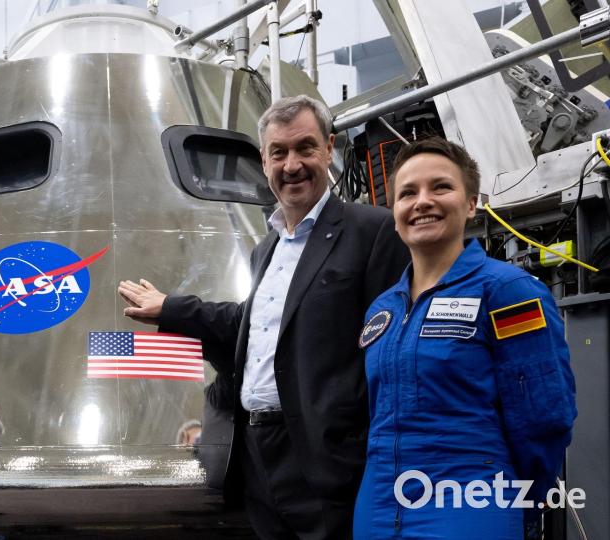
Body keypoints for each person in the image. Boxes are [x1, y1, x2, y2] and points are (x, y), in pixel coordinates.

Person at [118, 95, 410, 539]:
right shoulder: (267, 249)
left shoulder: (372, 231)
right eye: (279, 153)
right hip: (258, 458)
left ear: (329, 148)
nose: (292, 165)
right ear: (264, 160)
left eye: (305, 148)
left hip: (327, 464)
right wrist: (171, 309)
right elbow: (252, 328)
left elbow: (394, 356)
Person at [352, 138, 576, 539]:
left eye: (441, 187)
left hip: (468, 502)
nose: (422, 201)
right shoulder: (381, 311)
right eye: (407, 193)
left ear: (471, 203)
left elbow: (544, 416)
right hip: (378, 508)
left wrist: (520, 500)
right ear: (395, 212)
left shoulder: (509, 292)